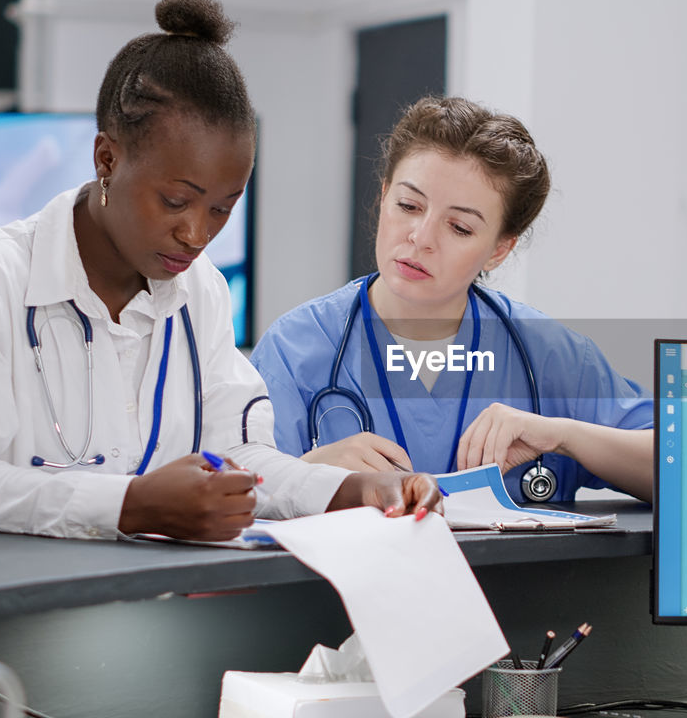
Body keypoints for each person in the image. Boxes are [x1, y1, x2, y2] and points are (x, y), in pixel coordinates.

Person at [0, 0, 439, 542]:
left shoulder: (201, 290)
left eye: (221, 208)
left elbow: (237, 457)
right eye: (174, 201)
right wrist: (127, 505)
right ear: (107, 160)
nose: (197, 234)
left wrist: (349, 489)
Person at [251, 96, 653, 502]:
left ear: (499, 249)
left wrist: (564, 435)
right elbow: (230, 496)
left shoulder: (546, 353)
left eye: (459, 227)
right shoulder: (296, 348)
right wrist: (306, 476)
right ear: (384, 195)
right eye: (408, 205)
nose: (421, 238)